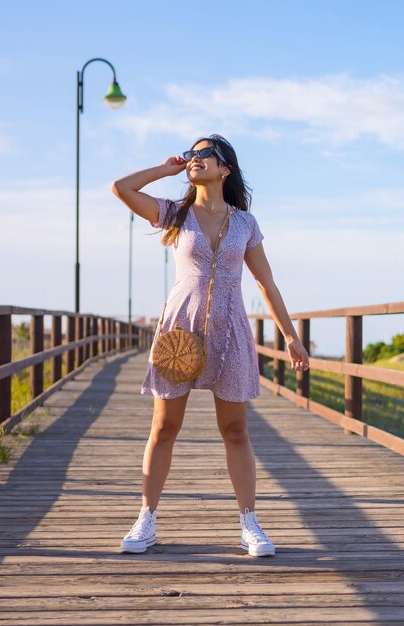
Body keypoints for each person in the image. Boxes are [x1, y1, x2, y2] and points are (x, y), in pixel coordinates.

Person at [112, 134, 309, 557]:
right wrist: (166, 170)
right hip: (179, 333)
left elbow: (266, 284)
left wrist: (291, 336)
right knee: (164, 427)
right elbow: (122, 188)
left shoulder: (245, 223)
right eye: (192, 154)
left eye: (205, 154)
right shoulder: (174, 213)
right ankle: (146, 518)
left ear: (226, 169)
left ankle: (249, 523)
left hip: (231, 331)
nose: (195, 159)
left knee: (235, 430)